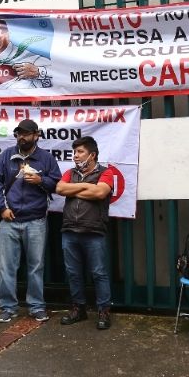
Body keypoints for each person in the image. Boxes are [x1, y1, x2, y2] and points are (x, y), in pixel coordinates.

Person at [0, 119, 61, 323]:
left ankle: (37, 306)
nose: (22, 137)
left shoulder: (46, 158)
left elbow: (56, 184)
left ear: (36, 135)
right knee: (6, 267)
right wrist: (2, 208)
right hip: (9, 221)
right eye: (19, 133)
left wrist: (41, 181)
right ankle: (8, 307)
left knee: (36, 266)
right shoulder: (6, 156)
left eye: (26, 133)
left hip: (36, 221)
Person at [55, 136, 115, 330]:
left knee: (98, 272)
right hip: (70, 230)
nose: (76, 156)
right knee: (73, 273)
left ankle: (104, 311)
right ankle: (78, 309)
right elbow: (59, 188)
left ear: (92, 155)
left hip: (94, 231)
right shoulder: (69, 173)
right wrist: (87, 187)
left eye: (80, 152)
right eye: (74, 152)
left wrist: (74, 190)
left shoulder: (106, 173)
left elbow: (100, 193)